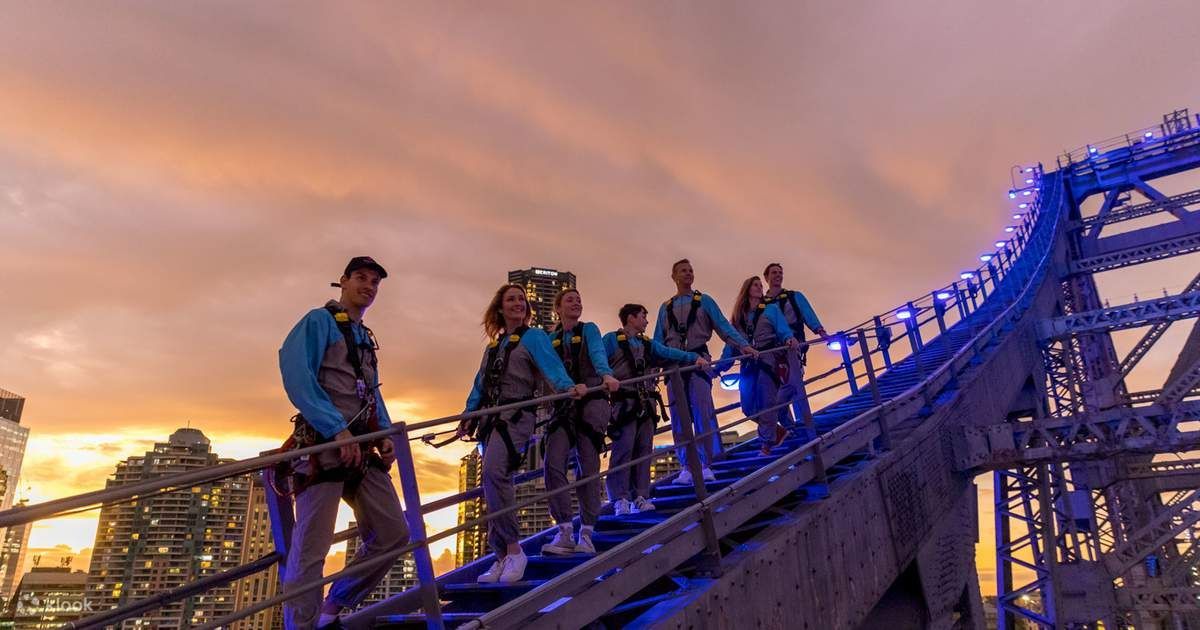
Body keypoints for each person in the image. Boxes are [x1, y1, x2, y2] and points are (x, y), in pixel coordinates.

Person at [278, 256, 409, 630]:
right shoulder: (318, 322)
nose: (369, 286)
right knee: (311, 551)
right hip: (323, 445)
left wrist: (383, 433)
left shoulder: (363, 337)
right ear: (343, 281)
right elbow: (297, 376)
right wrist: (335, 428)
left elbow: (371, 392)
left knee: (394, 533)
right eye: (361, 279)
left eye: (375, 283)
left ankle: (332, 606)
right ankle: (301, 626)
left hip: (362, 446)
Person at [458, 284, 585, 583]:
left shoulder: (535, 337)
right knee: (490, 483)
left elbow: (552, 368)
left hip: (515, 417)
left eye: (522, 300)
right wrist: (468, 414)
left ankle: (514, 551)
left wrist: (568, 388)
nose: (518, 303)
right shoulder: (494, 346)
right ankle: (501, 556)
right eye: (511, 299)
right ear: (500, 308)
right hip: (490, 419)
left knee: (494, 474)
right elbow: (480, 384)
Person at [652, 259, 755, 485]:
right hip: (673, 368)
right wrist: (652, 371)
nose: (688, 274)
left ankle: (705, 463)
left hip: (699, 362)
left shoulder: (704, 301)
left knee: (702, 414)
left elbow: (723, 327)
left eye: (690, 271)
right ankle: (687, 467)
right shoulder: (665, 307)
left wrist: (743, 345)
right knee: (679, 420)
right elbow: (657, 342)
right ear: (674, 276)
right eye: (683, 271)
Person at [603, 303, 708, 516]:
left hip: (646, 403)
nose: (646, 321)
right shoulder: (611, 340)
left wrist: (694, 358)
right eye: (643, 316)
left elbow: (669, 352)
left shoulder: (647, 344)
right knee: (623, 450)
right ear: (631, 318)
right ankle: (620, 498)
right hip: (624, 404)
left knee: (643, 450)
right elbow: (598, 364)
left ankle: (641, 495)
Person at [540, 289, 620, 556]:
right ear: (558, 308)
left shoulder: (589, 330)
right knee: (552, 463)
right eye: (570, 300)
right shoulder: (549, 339)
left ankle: (586, 531)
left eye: (579, 299)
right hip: (564, 408)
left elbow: (597, 354)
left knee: (588, 467)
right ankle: (564, 528)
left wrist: (606, 375)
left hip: (591, 403)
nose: (576, 302)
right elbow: (543, 371)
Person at [720, 276, 800, 456]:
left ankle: (766, 445)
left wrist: (788, 337)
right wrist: (720, 367)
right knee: (747, 407)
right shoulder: (738, 318)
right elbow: (731, 344)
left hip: (767, 359)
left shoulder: (771, 309)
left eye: (760, 285)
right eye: (755, 285)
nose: (760, 288)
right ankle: (778, 431)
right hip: (748, 363)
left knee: (767, 402)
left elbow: (782, 327)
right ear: (747, 289)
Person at [762, 263, 828, 432]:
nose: (778, 275)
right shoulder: (761, 304)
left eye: (780, 273)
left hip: (793, 346)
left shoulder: (793, 297)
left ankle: (801, 422)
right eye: (774, 273)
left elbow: (808, 313)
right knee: (777, 386)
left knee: (792, 384)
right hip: (771, 350)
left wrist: (821, 332)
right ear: (766, 277)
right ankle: (789, 425)